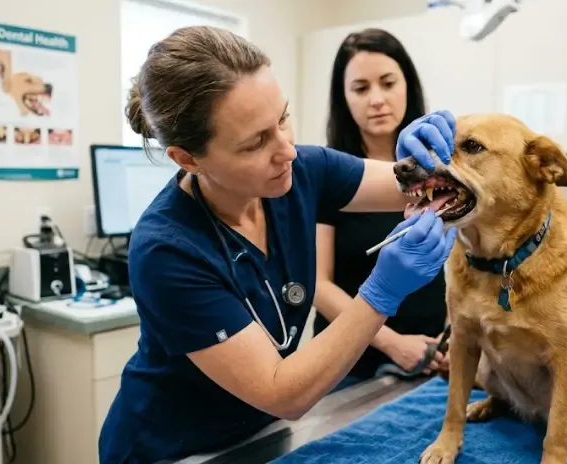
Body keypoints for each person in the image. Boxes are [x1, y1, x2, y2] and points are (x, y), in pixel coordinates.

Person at [97, 25, 459, 464]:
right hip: (172, 449)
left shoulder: (302, 171)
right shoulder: (168, 251)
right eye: (256, 142)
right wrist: (382, 291)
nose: (287, 150)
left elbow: (412, 184)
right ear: (188, 159)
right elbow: (282, 392)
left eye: (283, 119)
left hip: (260, 435)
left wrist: (433, 159)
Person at [314, 28, 450, 391]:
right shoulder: (329, 176)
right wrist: (392, 344)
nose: (377, 99)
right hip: (352, 364)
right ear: (343, 98)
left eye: (388, 83)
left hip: (434, 358)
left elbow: (462, 269)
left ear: (408, 85)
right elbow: (317, 283)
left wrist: (456, 338)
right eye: (361, 88)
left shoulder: (442, 168)